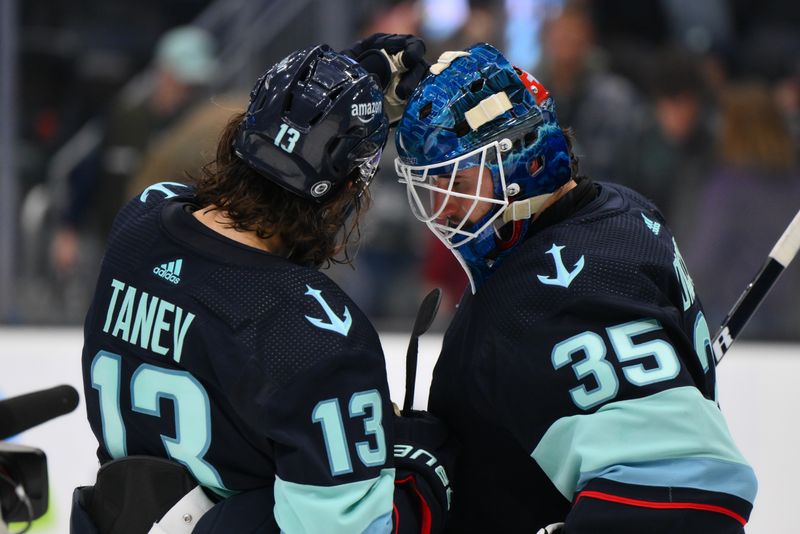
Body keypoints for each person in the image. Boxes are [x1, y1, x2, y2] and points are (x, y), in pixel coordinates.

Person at [71, 39, 454, 534]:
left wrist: (329, 98)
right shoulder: (316, 332)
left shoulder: (140, 223)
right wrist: (423, 471)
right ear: (341, 194)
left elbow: (239, 186)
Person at [393, 43, 757, 533]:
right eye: (433, 186)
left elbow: (692, 496)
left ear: (525, 162)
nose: (445, 205)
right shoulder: (626, 213)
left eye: (457, 180)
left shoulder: (541, 295)